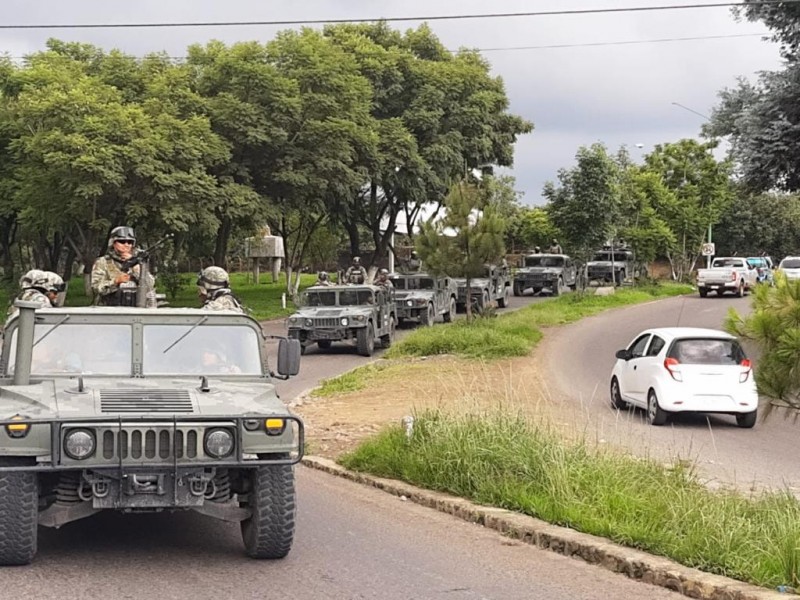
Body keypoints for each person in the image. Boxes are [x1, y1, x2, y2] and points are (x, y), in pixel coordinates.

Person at [91, 226, 155, 306]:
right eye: (122, 241)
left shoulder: (139, 262)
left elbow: (150, 285)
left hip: (136, 307)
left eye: (130, 242)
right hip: (109, 309)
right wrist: (116, 282)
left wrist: (137, 268)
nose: (126, 245)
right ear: (113, 243)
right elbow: (96, 288)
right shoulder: (103, 262)